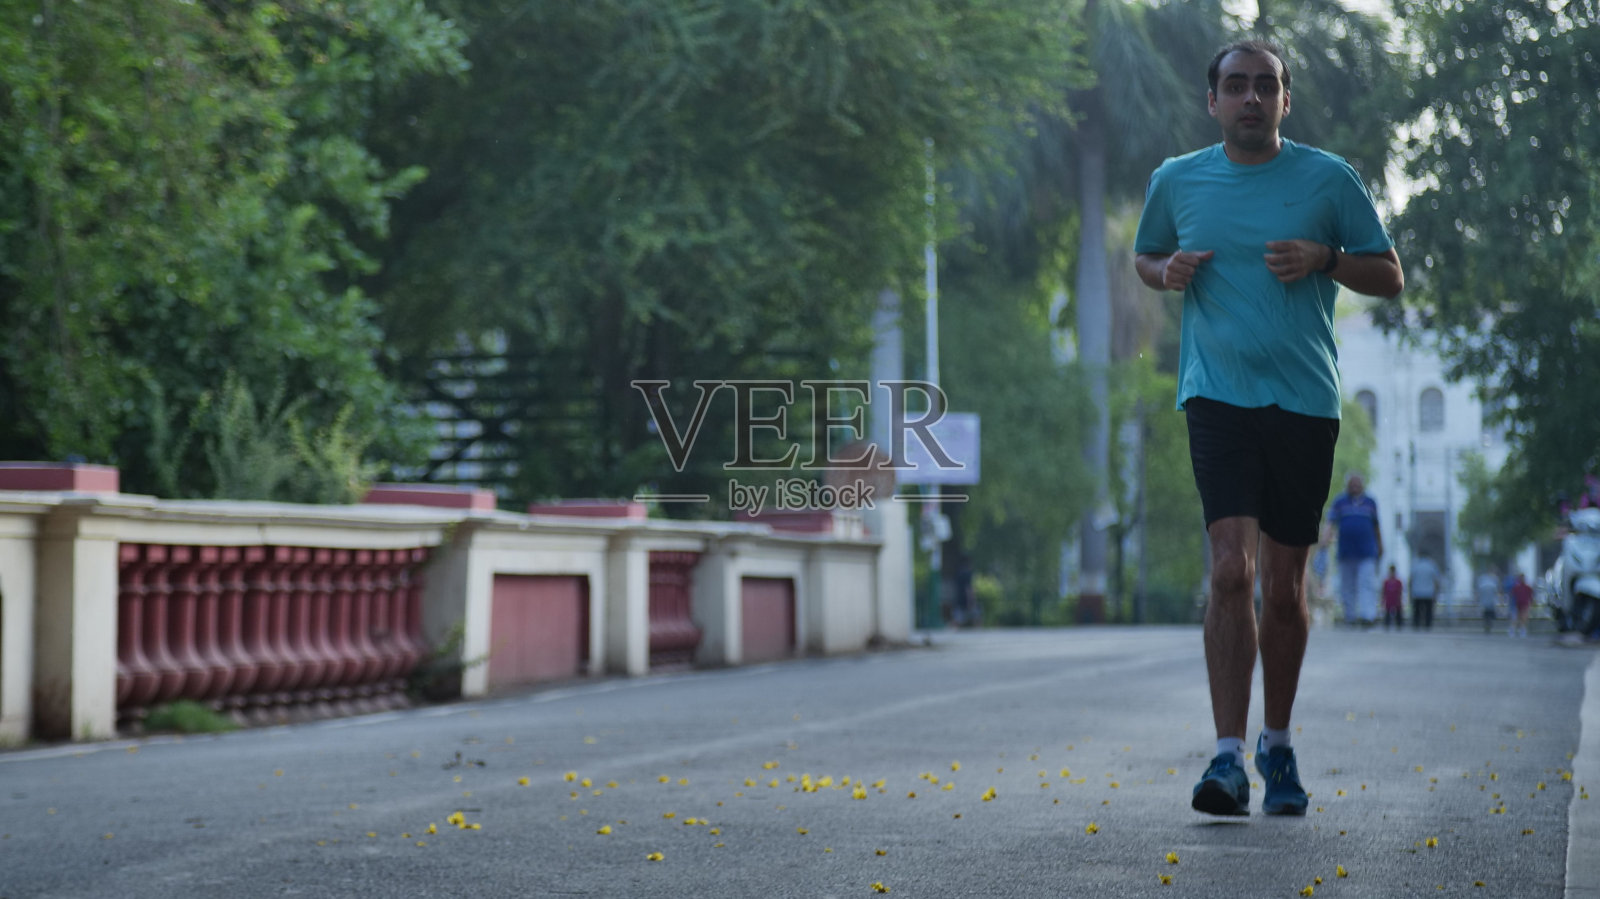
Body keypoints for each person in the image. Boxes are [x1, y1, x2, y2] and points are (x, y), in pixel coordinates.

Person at [1133, 39, 1403, 818]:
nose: (1251, 98)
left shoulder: (1329, 179)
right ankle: (1225, 759)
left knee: (1284, 587)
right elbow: (1146, 256)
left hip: (1303, 402)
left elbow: (1388, 272)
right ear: (1211, 100)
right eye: (1236, 86)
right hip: (1217, 396)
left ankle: (1276, 746)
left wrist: (1326, 257)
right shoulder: (1176, 180)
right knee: (1229, 572)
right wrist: (1166, 272)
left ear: (1285, 100)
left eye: (1266, 86)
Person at [1326, 473, 1384, 628]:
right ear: (1348, 485)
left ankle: (1367, 616)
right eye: (1352, 483)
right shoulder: (1339, 502)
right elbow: (1330, 522)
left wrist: (1380, 545)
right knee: (1347, 585)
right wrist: (1326, 538)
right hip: (1346, 552)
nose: (1355, 486)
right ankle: (1350, 616)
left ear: (1362, 485)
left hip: (1367, 552)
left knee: (1367, 583)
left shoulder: (1370, 502)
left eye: (1358, 483)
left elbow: (1377, 526)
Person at [1408, 553, 1441, 630]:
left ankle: (1416, 625)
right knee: (1428, 611)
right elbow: (1436, 581)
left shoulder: (1415, 566)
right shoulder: (1431, 566)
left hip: (1417, 592)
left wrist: (1410, 592)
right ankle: (1427, 625)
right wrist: (1436, 593)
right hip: (1429, 593)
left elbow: (1410, 580)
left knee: (1417, 611)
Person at [1476, 569, 1502, 633]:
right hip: (1491, 602)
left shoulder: (1483, 583)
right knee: (1490, 614)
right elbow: (1496, 592)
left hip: (1485, 602)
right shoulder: (1493, 582)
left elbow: (1479, 593)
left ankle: (1486, 626)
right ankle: (1489, 626)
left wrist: (1478, 600)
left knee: (1485, 615)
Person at [1509, 571, 1533, 637]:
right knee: (1516, 618)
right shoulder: (1516, 587)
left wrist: (1530, 603)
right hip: (1517, 604)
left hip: (1524, 604)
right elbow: (1512, 595)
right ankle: (1513, 631)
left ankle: (1522, 631)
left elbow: (1530, 596)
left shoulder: (1527, 587)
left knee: (1524, 618)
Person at [1381, 564, 1404, 630]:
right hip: (1389, 600)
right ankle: (1387, 625)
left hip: (1396, 600)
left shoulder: (1398, 582)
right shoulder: (1386, 582)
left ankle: (1399, 625)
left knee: (1398, 613)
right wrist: (1382, 600)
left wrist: (1400, 600)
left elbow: (1400, 592)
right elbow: (1383, 591)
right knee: (1387, 613)